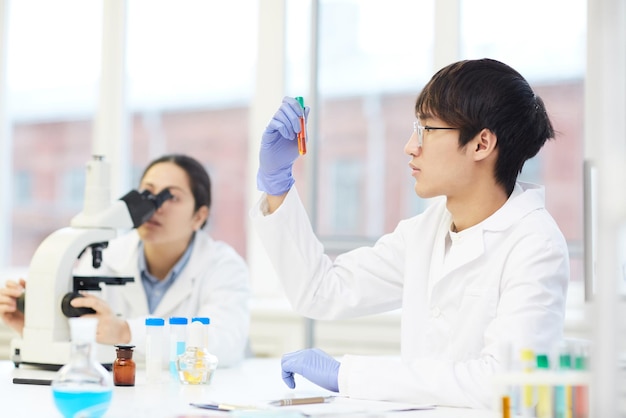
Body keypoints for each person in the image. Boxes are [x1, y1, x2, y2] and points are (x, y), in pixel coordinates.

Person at [250, 59, 569, 408]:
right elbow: (322, 291)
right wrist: (278, 183)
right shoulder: (427, 230)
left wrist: (348, 375)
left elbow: (505, 384)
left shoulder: (535, 243)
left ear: (481, 144)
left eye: (427, 130)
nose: (410, 146)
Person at [0, 154, 250, 367]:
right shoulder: (106, 255)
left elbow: (225, 343)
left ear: (199, 216)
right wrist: (36, 328)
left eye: (171, 197)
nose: (156, 207)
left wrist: (126, 332)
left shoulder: (223, 266)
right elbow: (81, 344)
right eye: (148, 194)